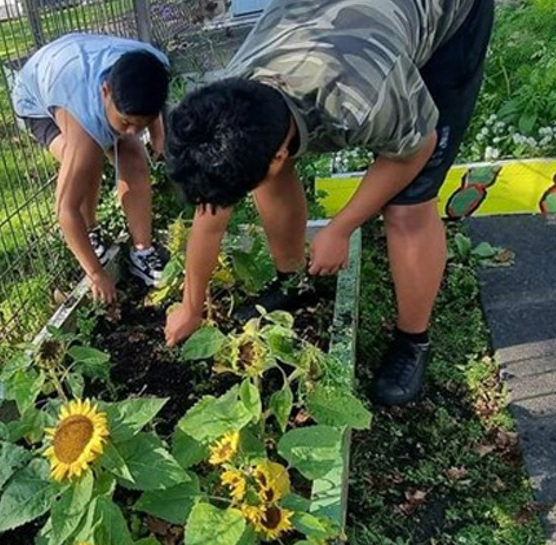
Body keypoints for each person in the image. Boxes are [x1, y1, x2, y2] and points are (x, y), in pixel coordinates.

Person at [162, 0, 495, 405]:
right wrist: (190, 306)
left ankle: (413, 342)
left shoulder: (360, 100)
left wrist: (341, 227)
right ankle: (293, 282)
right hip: (341, 28)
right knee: (266, 176)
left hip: (443, 20)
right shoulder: (234, 103)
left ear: (279, 153)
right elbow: (211, 214)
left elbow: (414, 150)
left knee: (407, 205)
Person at [12, 33, 171, 303]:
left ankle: (142, 253)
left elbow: (151, 105)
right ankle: (91, 232)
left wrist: (158, 135)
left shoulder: (153, 64)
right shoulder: (82, 118)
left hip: (75, 62)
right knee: (87, 163)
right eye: (125, 121)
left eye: (141, 122)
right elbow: (65, 209)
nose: (133, 130)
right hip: (37, 95)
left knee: (133, 153)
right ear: (106, 91)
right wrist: (96, 273)